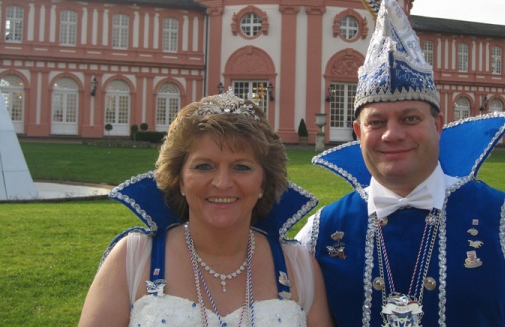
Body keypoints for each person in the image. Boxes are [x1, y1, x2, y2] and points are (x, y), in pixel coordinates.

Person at [296, 0, 505, 326]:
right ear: (358, 134)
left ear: (437, 126)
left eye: (409, 119)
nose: (392, 134)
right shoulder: (320, 233)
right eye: (376, 122)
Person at [80, 89, 333, 326]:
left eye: (241, 167)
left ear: (263, 184)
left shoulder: (299, 266)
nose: (222, 183)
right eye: (204, 166)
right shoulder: (133, 257)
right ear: (179, 180)